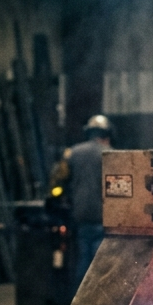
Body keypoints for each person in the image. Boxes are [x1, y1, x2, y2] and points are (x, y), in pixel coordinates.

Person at [52, 114, 111, 295]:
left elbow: (57, 181)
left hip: (81, 215)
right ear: (107, 134)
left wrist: (59, 197)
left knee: (83, 260)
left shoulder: (73, 153)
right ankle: (96, 303)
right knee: (100, 264)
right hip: (103, 216)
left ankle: (77, 303)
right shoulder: (110, 155)